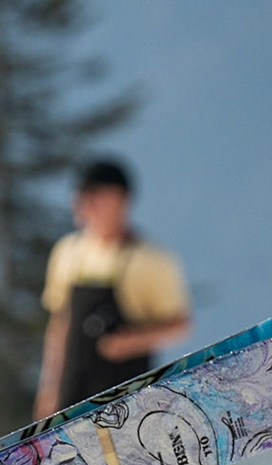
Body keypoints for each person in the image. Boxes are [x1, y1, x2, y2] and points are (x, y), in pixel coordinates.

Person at [34, 158, 193, 420]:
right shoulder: (68, 252)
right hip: (71, 397)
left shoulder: (152, 260)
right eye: (81, 195)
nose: (83, 203)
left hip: (128, 400)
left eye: (93, 196)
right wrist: (48, 390)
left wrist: (131, 342)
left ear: (120, 199)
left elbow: (180, 324)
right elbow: (60, 325)